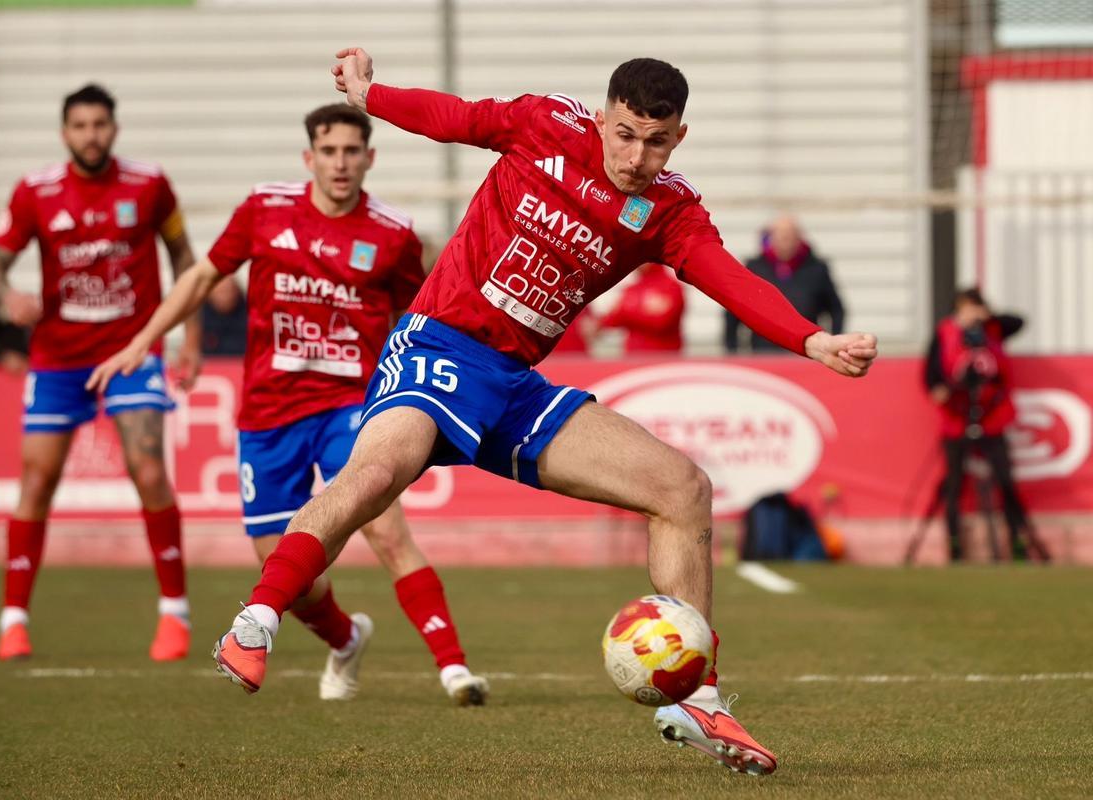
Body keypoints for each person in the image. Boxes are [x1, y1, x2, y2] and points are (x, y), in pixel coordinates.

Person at [210, 50, 877, 775]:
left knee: (683, 491)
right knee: (375, 475)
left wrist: (810, 338)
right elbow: (456, 119)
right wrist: (373, 95)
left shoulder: (670, 208)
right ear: (602, 116)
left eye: (656, 141)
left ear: (679, 137)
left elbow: (728, 278)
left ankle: (697, 699)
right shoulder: (545, 125)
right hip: (441, 344)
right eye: (625, 134)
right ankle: (256, 621)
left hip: (514, 383)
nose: (636, 155)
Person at [89, 104, 489, 705]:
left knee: (385, 527)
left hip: (351, 405)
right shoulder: (264, 209)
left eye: (352, 152)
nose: (341, 163)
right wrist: (144, 340)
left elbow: (422, 323)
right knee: (282, 563)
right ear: (310, 158)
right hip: (269, 412)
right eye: (329, 152)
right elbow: (201, 279)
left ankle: (455, 669)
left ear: (369, 158)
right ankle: (346, 637)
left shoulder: (394, 233)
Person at [0, 84, 201, 662]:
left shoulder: (149, 185)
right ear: (64, 133)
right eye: (80, 126)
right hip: (58, 359)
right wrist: (7, 298)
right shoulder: (36, 192)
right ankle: (13, 620)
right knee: (37, 482)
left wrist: (190, 340)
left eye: (100, 124)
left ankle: (174, 614)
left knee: (150, 469)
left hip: (134, 352)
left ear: (114, 129)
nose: (91, 135)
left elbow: (186, 262)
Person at [923, 288, 1042, 562]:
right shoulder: (945, 332)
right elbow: (931, 374)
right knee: (953, 485)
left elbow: (1018, 322)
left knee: (1005, 481)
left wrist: (987, 316)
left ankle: (1018, 542)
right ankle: (954, 546)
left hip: (991, 419)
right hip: (957, 418)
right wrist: (939, 388)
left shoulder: (992, 330)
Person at [724, 215, 845, 353]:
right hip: (762, 353)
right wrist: (732, 349)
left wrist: (833, 344)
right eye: (781, 235)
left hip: (805, 352)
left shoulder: (816, 269)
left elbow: (836, 309)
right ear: (771, 238)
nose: (785, 240)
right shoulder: (755, 268)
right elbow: (733, 311)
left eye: (789, 235)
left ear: (799, 238)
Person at [596, 262, 685, 352]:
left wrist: (627, 310)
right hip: (634, 358)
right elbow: (610, 320)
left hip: (663, 359)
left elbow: (662, 321)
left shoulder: (671, 287)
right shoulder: (631, 289)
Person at [200, 276, 248, 356]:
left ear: (236, 291)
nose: (224, 297)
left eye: (228, 291)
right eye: (221, 292)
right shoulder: (198, 320)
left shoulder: (249, 316)